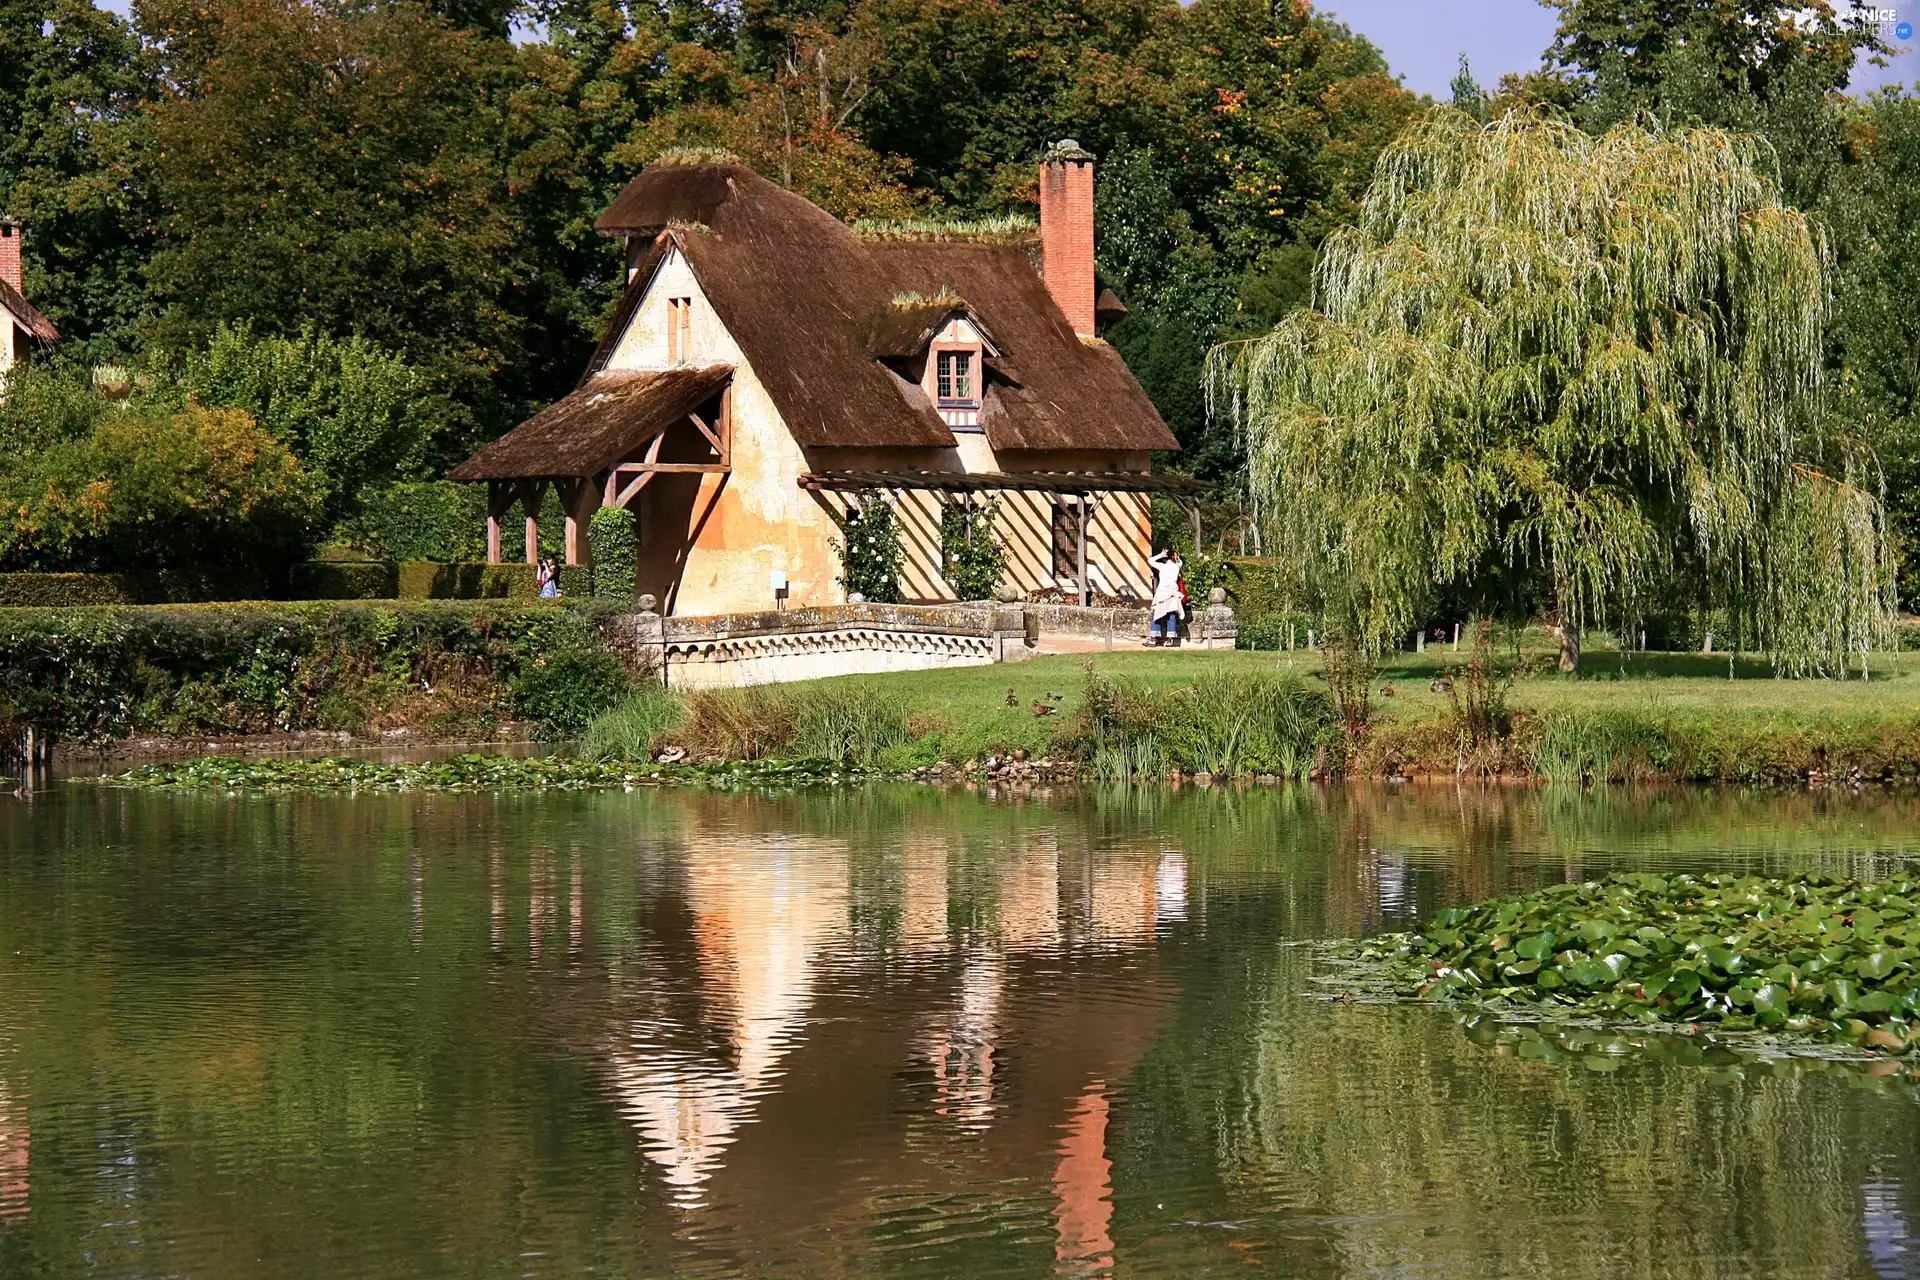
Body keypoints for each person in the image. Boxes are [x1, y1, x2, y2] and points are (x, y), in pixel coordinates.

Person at [1147, 548, 1184, 646]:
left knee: (1157, 615)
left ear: (1165, 558)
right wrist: (1177, 557)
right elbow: (1181, 562)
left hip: (1162, 593)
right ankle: (1170, 640)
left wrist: (1160, 554)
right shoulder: (1176, 566)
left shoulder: (1162, 567)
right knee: (1171, 616)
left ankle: (1153, 639)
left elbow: (1150, 561)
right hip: (1172, 594)